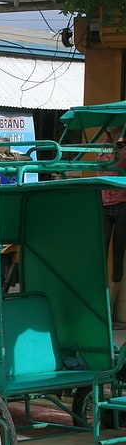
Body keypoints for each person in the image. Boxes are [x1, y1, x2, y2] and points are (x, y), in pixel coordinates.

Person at [98, 134, 126, 322]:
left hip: (123, 203)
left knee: (117, 255)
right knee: (99, 253)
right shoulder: (102, 147)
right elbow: (100, 168)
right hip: (104, 203)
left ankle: (110, 309)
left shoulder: (123, 149)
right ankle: (99, 305)